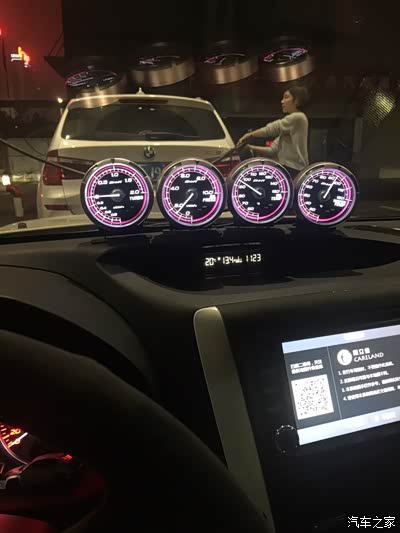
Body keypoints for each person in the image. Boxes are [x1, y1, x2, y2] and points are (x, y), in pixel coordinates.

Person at [239, 86, 309, 178]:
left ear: (297, 101)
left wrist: (250, 135)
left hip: (294, 169)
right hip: (288, 167)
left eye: (286, 97)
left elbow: (272, 129)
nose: (282, 101)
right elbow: (273, 150)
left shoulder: (298, 117)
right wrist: (251, 147)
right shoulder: (290, 126)